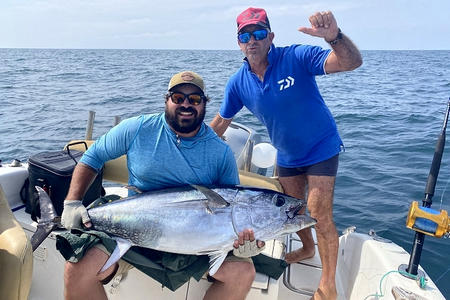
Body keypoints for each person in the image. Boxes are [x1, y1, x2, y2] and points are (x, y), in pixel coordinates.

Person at [60, 71, 263, 300]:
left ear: (204, 104)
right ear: (166, 100)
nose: (186, 104)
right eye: (178, 98)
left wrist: (243, 242)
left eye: (195, 99)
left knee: (243, 272)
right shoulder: (138, 128)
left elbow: (232, 206)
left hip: (196, 240)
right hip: (133, 231)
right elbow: (92, 157)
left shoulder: (220, 151)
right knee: (77, 268)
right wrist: (73, 201)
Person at [210, 7, 362, 300]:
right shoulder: (238, 83)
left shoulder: (296, 57)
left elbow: (351, 62)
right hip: (287, 155)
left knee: (319, 213)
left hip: (321, 146)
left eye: (258, 33)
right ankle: (306, 248)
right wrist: (182, 143)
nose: (251, 40)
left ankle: (328, 284)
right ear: (239, 41)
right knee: (292, 210)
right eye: (245, 35)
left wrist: (335, 37)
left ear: (271, 37)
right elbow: (219, 124)